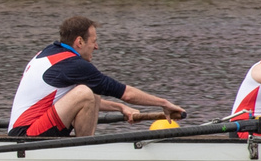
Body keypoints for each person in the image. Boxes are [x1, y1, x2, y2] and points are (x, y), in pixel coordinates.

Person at [10, 16, 185, 137]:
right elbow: (126, 93)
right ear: (79, 42)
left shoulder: (49, 53)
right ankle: (86, 152)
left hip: (28, 129)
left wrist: (119, 108)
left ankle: (84, 148)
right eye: (93, 41)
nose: (96, 47)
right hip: (27, 136)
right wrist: (164, 103)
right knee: (85, 92)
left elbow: (77, 100)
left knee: (90, 92)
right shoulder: (73, 65)